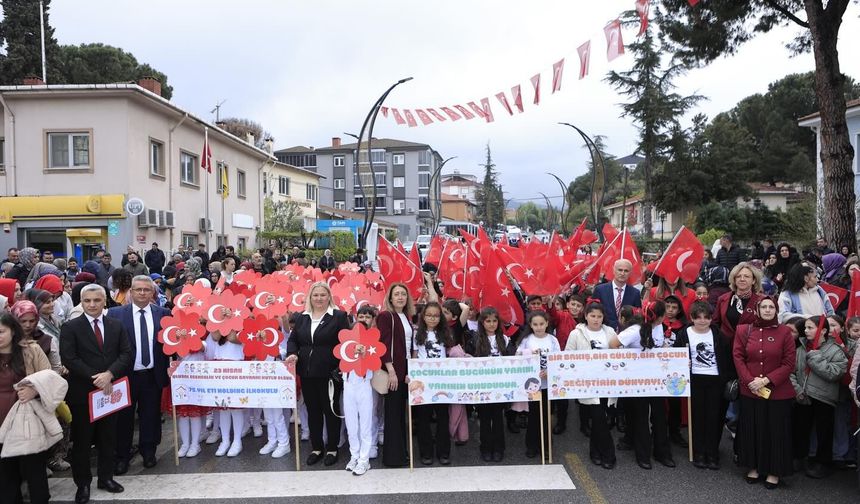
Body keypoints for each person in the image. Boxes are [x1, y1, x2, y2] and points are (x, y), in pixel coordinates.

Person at [59, 284, 133, 504]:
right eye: (87, 301)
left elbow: (126, 354)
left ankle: (106, 478)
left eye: (96, 300)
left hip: (110, 392)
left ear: (104, 301)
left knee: (108, 438)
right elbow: (69, 359)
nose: (92, 305)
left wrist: (110, 374)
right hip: (83, 394)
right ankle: (83, 484)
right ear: (81, 303)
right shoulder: (70, 327)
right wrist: (97, 377)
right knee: (82, 442)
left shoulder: (116, 325)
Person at [106, 276, 171, 474]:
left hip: (153, 374)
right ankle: (122, 456)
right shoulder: (115, 314)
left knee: (150, 416)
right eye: (138, 290)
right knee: (123, 418)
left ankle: (149, 452)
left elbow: (170, 344)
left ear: (153, 292)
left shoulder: (164, 314)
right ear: (131, 292)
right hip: (125, 376)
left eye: (146, 289)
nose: (142, 293)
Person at [733, 297, 796, 490]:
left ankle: (774, 471)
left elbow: (788, 363)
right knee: (752, 428)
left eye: (771, 307)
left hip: (777, 392)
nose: (768, 310)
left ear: (776, 310)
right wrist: (749, 380)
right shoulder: (743, 330)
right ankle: (753, 466)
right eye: (764, 307)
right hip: (750, 390)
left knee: (775, 431)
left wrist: (766, 380)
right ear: (757, 310)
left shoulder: (785, 332)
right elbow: (738, 356)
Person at [285, 281, 351, 466]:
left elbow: (345, 343)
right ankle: (317, 447)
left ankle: (332, 448)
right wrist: (292, 354)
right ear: (310, 298)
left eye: (323, 295)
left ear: (329, 296)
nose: (319, 298)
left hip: (330, 373)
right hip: (307, 372)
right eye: (315, 295)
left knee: (331, 411)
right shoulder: (302, 318)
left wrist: (339, 368)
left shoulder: (338, 316)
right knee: (313, 411)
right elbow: (293, 340)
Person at [0, 312, 59, 504]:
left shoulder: (31, 350)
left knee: (35, 473)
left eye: (1, 331)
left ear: (12, 331)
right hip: (1, 424)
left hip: (27, 423)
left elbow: (50, 378)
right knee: (6, 478)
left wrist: (34, 390)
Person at [674, 301, 734, 470]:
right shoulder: (684, 334)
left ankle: (712, 451)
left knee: (714, 417)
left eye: (706, 317)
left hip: (715, 381)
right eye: (698, 317)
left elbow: (726, 358)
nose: (702, 321)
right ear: (691, 318)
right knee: (698, 417)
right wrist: (682, 364)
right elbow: (676, 356)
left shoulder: (719, 334)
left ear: (711, 318)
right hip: (695, 380)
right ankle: (699, 451)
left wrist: (727, 378)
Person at [790, 315, 848, 478]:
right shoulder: (801, 348)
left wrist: (815, 357)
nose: (806, 331)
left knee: (824, 431)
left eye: (810, 328)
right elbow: (792, 372)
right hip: (803, 395)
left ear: (822, 330)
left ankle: (823, 462)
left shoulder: (835, 350)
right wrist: (798, 391)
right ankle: (798, 456)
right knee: (800, 428)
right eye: (805, 328)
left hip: (824, 397)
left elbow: (835, 373)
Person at [566, 302, 617, 469]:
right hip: (587, 383)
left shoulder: (610, 332)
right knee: (598, 417)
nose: (596, 319)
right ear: (586, 315)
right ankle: (609, 454)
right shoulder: (576, 333)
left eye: (599, 316)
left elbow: (618, 355)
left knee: (600, 418)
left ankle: (594, 451)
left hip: (607, 382)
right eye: (592, 316)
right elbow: (568, 357)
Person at [376, 283, 415, 467]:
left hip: (405, 368)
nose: (400, 297)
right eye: (396, 294)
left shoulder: (406, 316)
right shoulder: (385, 316)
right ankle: (393, 457)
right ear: (390, 298)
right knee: (393, 413)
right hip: (393, 370)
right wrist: (391, 371)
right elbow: (383, 344)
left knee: (401, 413)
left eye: (403, 294)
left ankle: (402, 452)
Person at [411, 302, 453, 465]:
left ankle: (444, 452)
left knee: (443, 417)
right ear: (423, 316)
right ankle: (426, 452)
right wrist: (413, 374)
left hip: (442, 381)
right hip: (423, 383)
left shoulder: (445, 333)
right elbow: (414, 356)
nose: (432, 318)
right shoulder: (417, 334)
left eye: (436, 315)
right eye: (429, 315)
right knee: (423, 419)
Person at [516, 310, 560, 459]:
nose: (539, 327)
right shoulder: (527, 340)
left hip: (548, 385)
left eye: (542, 324)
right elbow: (518, 357)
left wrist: (550, 371)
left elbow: (558, 360)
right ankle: (532, 445)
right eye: (535, 324)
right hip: (533, 386)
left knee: (547, 416)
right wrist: (529, 356)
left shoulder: (553, 340)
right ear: (531, 325)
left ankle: (546, 446)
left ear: (547, 323)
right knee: (534, 415)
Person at [473, 307, 510, 462]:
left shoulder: (505, 339)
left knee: (498, 418)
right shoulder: (475, 339)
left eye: (494, 321)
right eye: (488, 321)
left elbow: (512, 360)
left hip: (500, 386)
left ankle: (499, 448)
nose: (492, 324)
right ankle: (486, 448)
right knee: (485, 418)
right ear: (482, 322)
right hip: (482, 386)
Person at [713, 262, 766, 344]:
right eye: (738, 276)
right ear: (734, 280)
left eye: (746, 276)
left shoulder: (762, 301)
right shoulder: (723, 299)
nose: (742, 279)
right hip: (725, 347)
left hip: (751, 346)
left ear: (754, 280)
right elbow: (715, 323)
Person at [592, 259, 642, 331]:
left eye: (626, 271)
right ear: (614, 270)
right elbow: (592, 312)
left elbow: (637, 318)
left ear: (630, 273)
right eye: (620, 270)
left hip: (625, 335)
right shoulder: (600, 290)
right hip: (602, 332)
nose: (622, 273)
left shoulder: (635, 293)